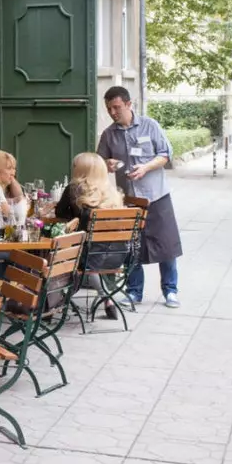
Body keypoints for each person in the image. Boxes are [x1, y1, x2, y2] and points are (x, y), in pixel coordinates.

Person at [97, 86, 183, 308]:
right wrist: (108, 164)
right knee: (132, 247)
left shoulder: (150, 125)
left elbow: (165, 154)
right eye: (109, 109)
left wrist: (145, 168)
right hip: (129, 200)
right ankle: (134, 292)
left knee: (166, 245)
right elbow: (99, 164)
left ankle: (170, 291)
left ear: (128, 104)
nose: (113, 112)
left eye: (116, 107)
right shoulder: (108, 134)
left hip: (156, 196)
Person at [55, 151, 127, 318]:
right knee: (89, 261)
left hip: (87, 256)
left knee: (60, 255)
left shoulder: (74, 188)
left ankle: (59, 299)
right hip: (118, 254)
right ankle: (106, 299)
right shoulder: (112, 192)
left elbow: (60, 212)